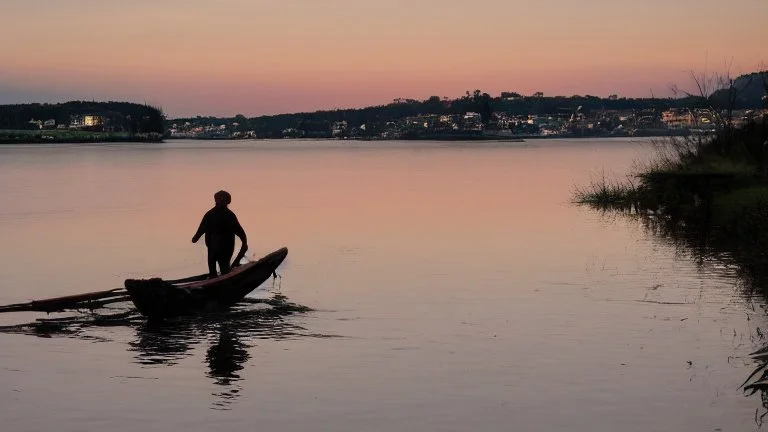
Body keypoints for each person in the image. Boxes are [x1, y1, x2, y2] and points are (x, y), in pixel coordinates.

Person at [191, 190, 248, 278]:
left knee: (221, 267)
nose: (221, 202)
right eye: (219, 200)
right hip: (215, 248)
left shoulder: (225, 215)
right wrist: (244, 242)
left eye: (222, 200)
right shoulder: (216, 215)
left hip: (222, 248)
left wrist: (244, 242)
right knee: (221, 268)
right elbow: (201, 230)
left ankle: (217, 278)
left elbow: (240, 232)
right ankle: (219, 279)